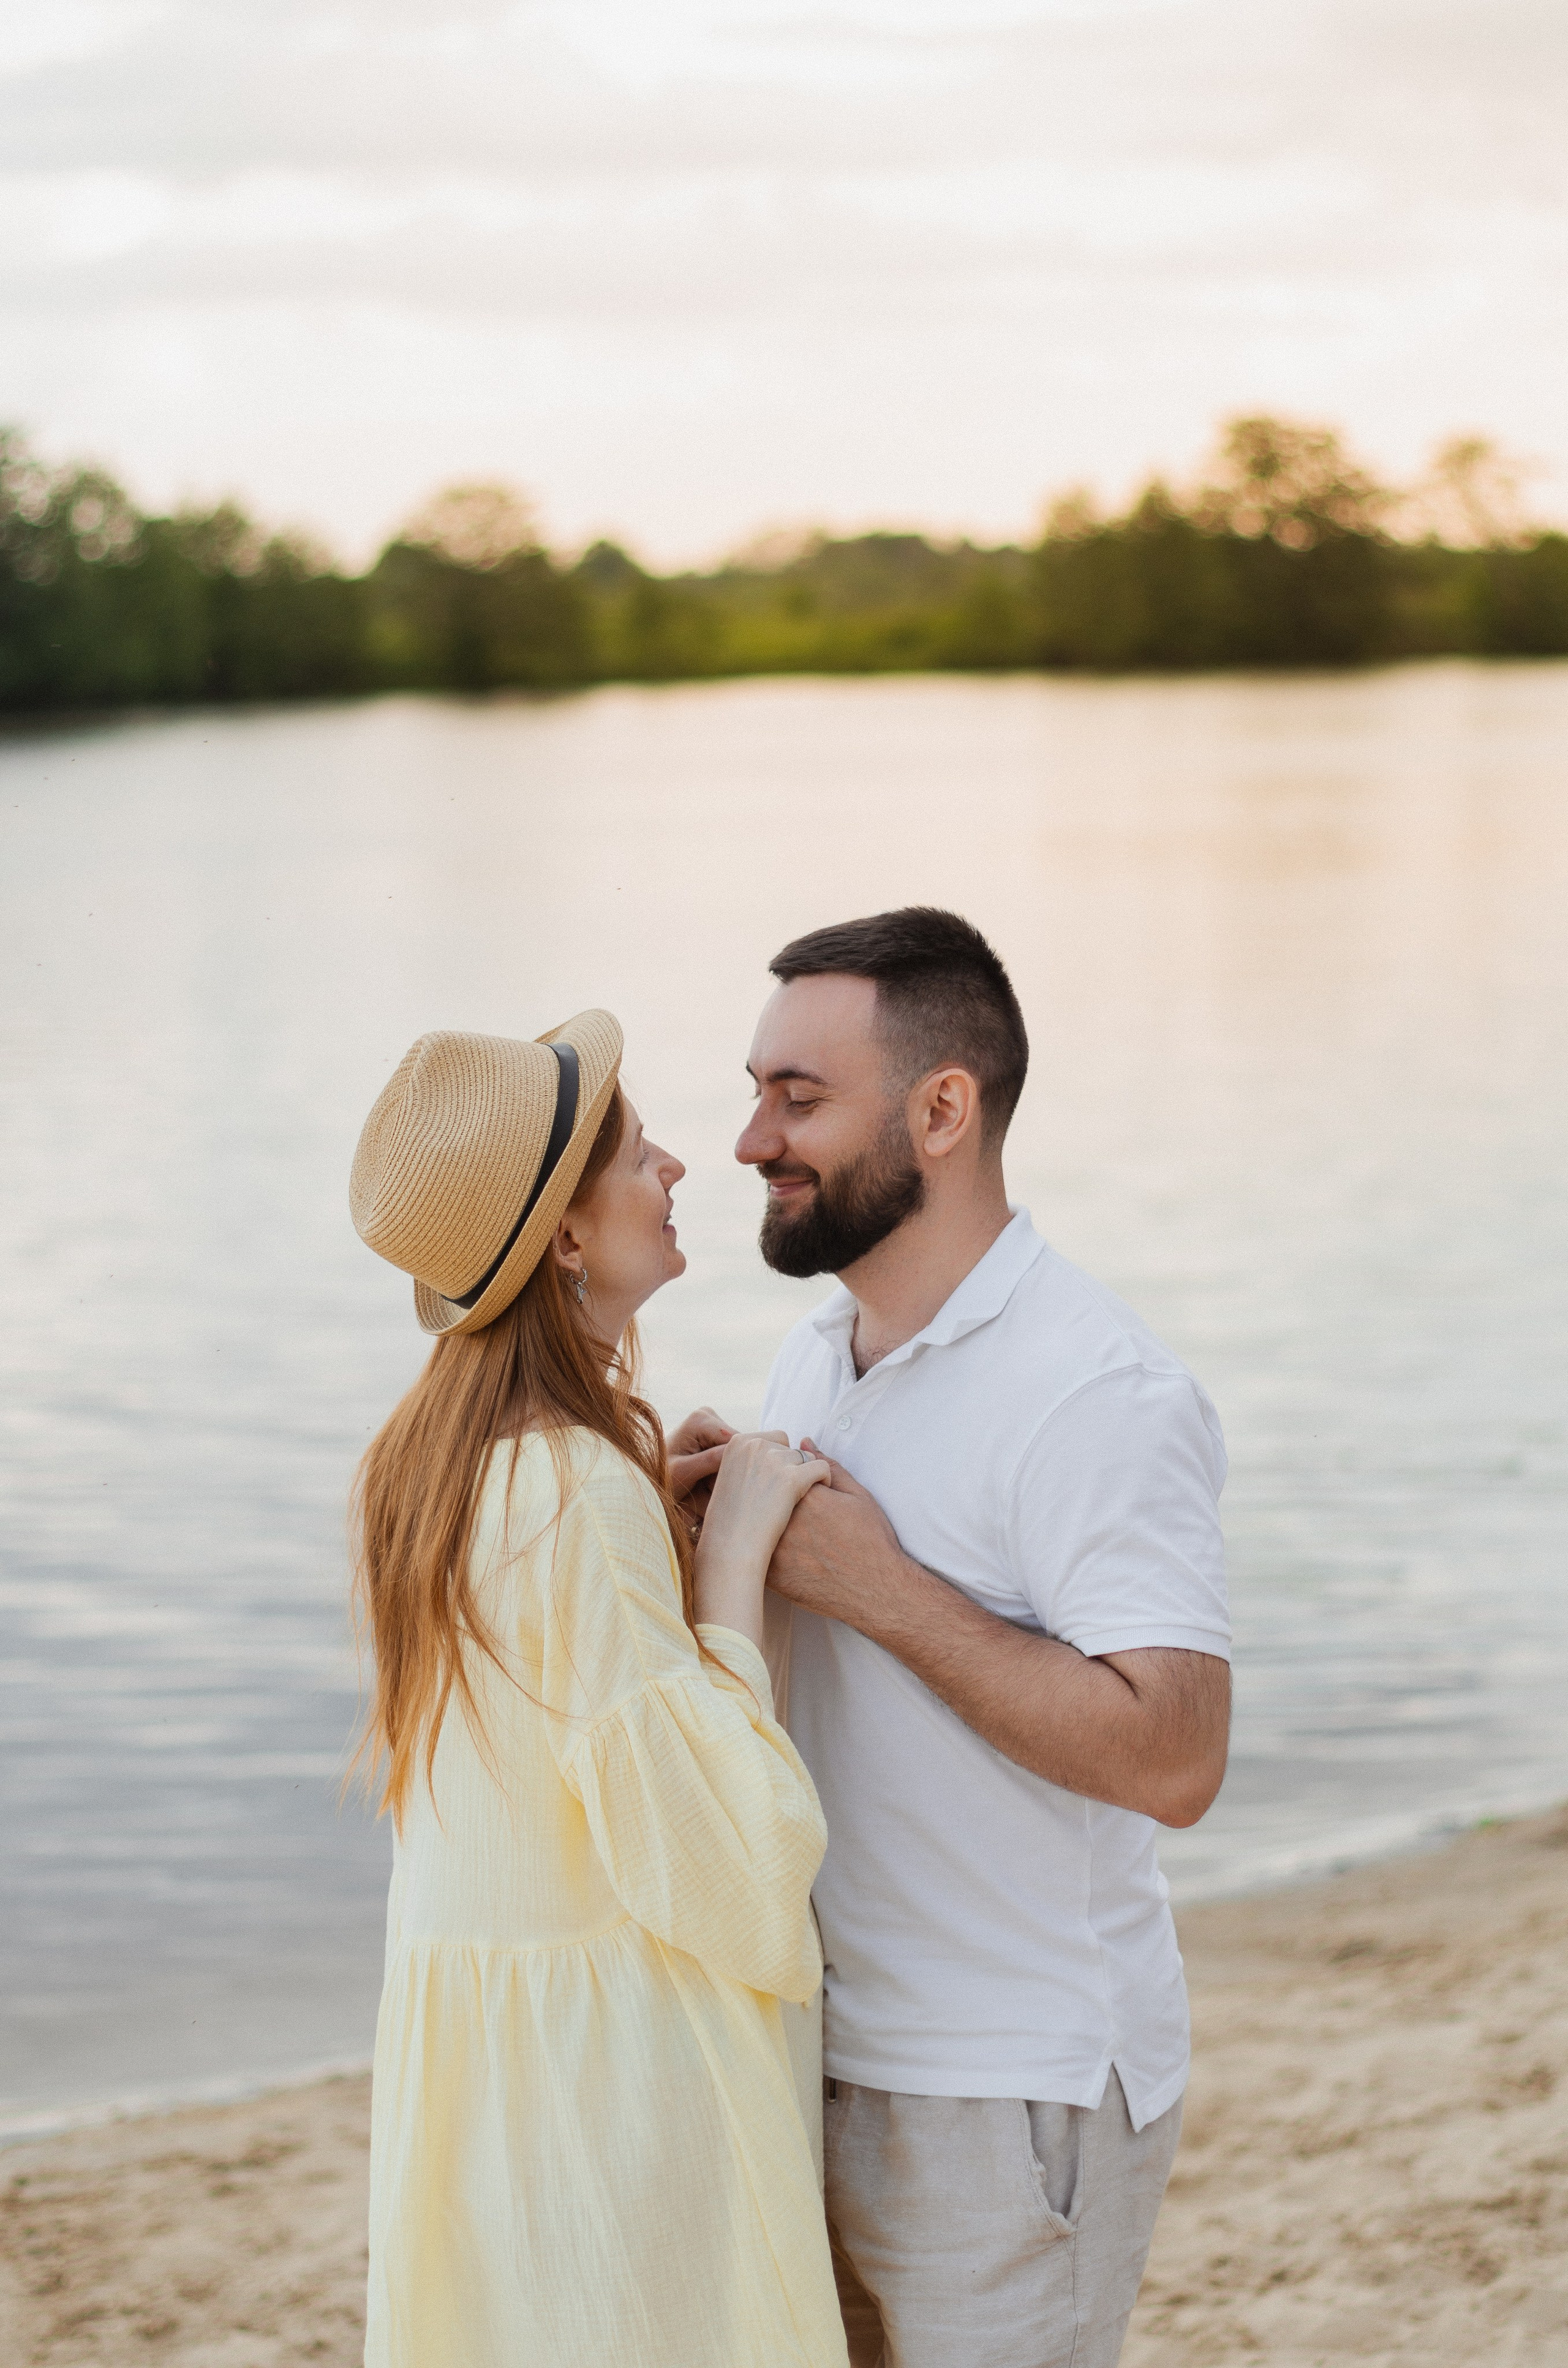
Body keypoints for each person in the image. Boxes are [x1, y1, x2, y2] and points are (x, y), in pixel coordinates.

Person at [736, 909, 1232, 2368]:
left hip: (1012, 2089)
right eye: (757, 1088)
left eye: (797, 1096)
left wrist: (873, 1581)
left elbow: (1175, 1752)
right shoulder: (814, 1351)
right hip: (827, 2054)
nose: (753, 1136)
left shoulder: (1097, 1391)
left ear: (941, 1110)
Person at [347, 1010, 850, 2368]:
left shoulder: (439, 1471)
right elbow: (734, 1857)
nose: (679, 1164)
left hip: (483, 2101)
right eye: (635, 1150)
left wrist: (658, 1540)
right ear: (565, 1238)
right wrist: (733, 1562)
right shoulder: (572, 1490)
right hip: (605, 2107)